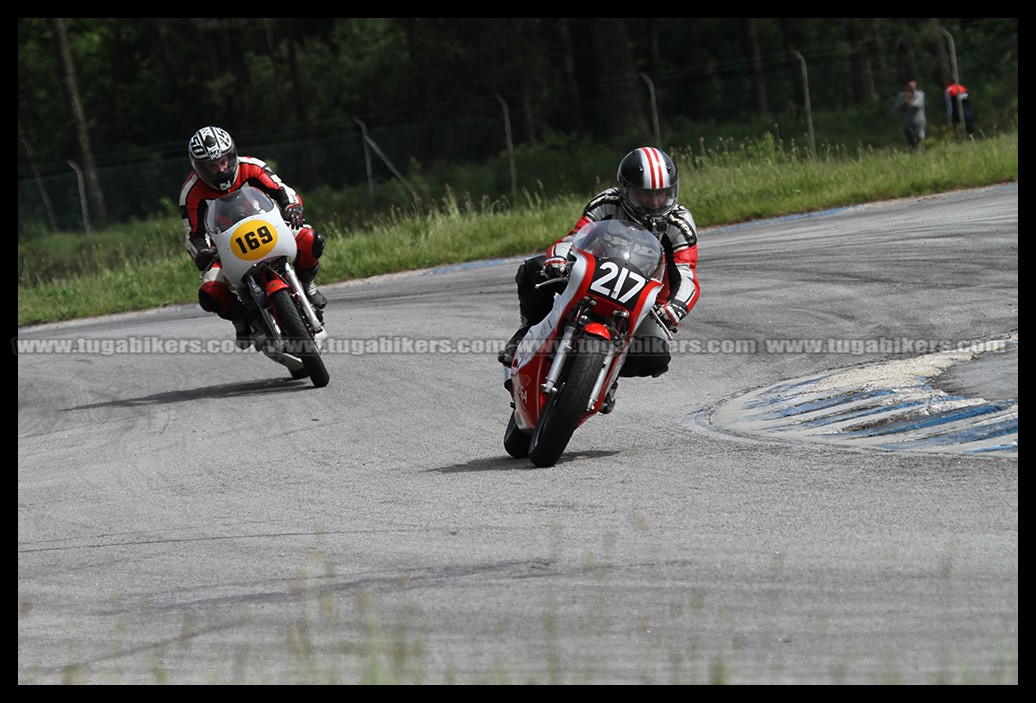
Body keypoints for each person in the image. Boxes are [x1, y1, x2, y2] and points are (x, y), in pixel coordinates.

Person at [497, 146, 700, 413]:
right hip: (594, 278)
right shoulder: (607, 202)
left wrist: (674, 309)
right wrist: (558, 259)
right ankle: (526, 331)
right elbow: (576, 237)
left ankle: (607, 377)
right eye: (645, 194)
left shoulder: (680, 222)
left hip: (646, 303)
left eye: (662, 193)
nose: (654, 202)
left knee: (654, 354)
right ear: (626, 189)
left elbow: (687, 273)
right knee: (534, 271)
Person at [178, 126, 327, 348]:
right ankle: (241, 319)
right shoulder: (191, 192)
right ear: (198, 166)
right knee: (210, 293)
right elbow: (193, 234)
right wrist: (201, 252)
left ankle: (308, 285)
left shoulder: (251, 166)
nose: (221, 169)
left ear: (232, 154)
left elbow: (282, 190)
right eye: (211, 165)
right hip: (223, 248)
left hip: (268, 228)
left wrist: (292, 207)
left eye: (224, 161)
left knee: (310, 239)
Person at [895, 80, 927, 150]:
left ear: (915, 87)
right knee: (910, 140)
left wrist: (909, 102)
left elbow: (917, 105)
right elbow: (897, 108)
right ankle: (913, 151)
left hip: (919, 122)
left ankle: (921, 151)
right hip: (908, 122)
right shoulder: (902, 96)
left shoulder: (920, 94)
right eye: (909, 87)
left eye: (913, 87)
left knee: (920, 138)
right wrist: (904, 102)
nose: (911, 88)